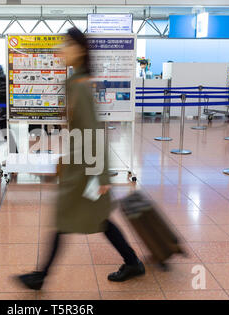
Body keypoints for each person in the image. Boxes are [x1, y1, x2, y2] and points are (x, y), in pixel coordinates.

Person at [16, 28, 145, 291]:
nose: (62, 50)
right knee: (96, 220)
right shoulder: (75, 82)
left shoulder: (81, 87)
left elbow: (94, 132)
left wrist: (102, 174)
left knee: (74, 220)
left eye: (67, 45)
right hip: (78, 167)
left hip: (85, 170)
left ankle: (41, 276)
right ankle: (132, 262)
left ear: (80, 50)